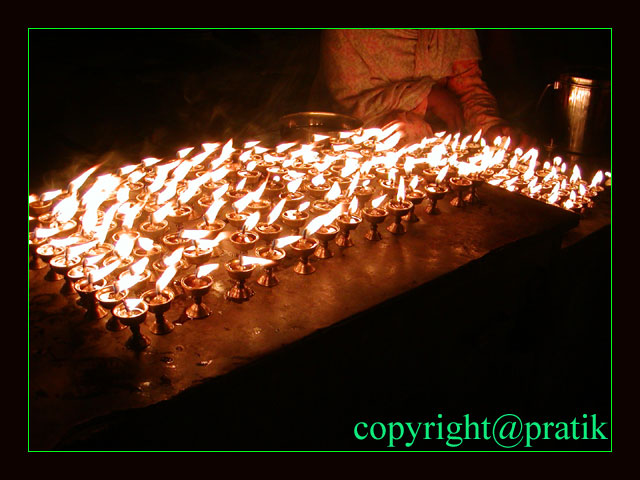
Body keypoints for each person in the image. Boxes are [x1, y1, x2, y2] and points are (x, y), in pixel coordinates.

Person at [315, 29, 534, 149]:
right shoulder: (347, 33)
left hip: (445, 156)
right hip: (361, 156)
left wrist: (491, 127)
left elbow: (468, 87)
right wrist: (427, 96)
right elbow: (349, 111)